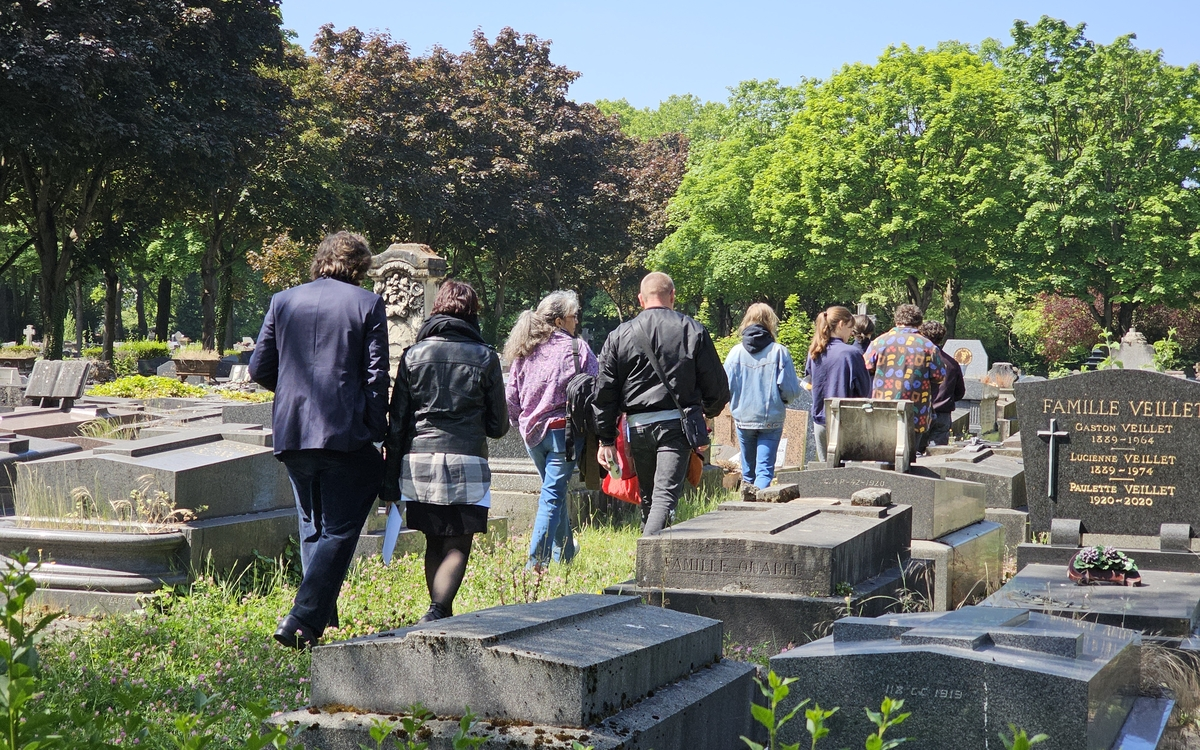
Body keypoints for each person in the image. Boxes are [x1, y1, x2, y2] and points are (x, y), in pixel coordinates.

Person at [249, 231, 389, 650]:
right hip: (344, 432)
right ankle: (303, 619)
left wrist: (293, 391)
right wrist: (375, 432)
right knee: (341, 529)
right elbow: (376, 376)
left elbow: (259, 368)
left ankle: (320, 614)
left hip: (293, 432)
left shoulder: (283, 300)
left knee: (313, 526)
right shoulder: (367, 304)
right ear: (360, 266)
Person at [382, 280, 508, 623]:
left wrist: (389, 481)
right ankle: (439, 609)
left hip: (419, 460)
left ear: (437, 308)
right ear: (473, 313)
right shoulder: (485, 357)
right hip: (467, 458)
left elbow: (397, 424)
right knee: (458, 543)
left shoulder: (413, 355)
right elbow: (499, 426)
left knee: (434, 541)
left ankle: (441, 613)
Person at [593, 272, 729, 536]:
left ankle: (653, 564)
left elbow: (604, 392)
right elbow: (717, 387)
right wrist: (707, 414)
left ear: (640, 299)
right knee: (664, 498)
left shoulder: (621, 334)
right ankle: (647, 560)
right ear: (673, 296)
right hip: (675, 428)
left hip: (638, 427)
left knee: (650, 500)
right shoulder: (693, 329)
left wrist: (606, 439)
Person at [503, 290, 598, 569]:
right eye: (573, 317)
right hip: (565, 434)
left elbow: (512, 396)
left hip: (532, 435)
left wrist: (518, 422)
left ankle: (566, 553)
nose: (576, 322)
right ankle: (536, 564)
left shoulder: (525, 349)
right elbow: (597, 387)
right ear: (558, 321)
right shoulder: (577, 348)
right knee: (552, 496)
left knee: (552, 492)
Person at [722, 303, 801, 492]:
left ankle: (745, 509)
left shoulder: (735, 353)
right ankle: (759, 507)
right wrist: (781, 402)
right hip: (771, 419)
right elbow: (791, 390)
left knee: (748, 472)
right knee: (764, 471)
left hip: (743, 418)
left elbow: (725, 387)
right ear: (770, 322)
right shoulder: (779, 351)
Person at [864, 304, 947, 444]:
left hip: (883, 408)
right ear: (919, 323)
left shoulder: (879, 342)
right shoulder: (928, 346)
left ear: (896, 321)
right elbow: (939, 376)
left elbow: (865, 367)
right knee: (908, 456)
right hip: (915, 412)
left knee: (883, 451)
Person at [805, 306, 871, 463]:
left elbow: (810, 381)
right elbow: (865, 390)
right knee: (849, 478)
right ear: (841, 324)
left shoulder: (814, 351)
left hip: (820, 420)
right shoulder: (850, 353)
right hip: (846, 423)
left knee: (826, 474)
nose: (851, 333)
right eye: (850, 328)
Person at [917, 320, 964, 451]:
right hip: (943, 414)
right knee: (937, 455)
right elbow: (960, 393)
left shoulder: (918, 361)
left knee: (915, 454)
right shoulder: (952, 364)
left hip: (921, 411)